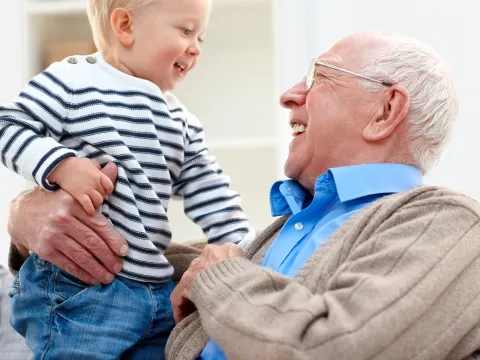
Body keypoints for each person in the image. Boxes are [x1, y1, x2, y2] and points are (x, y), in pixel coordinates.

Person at [7, 30, 480, 359]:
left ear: (385, 111)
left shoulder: (448, 223)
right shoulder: (288, 228)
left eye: (318, 76)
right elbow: (157, 266)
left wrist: (221, 277)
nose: (289, 95)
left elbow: (335, 349)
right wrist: (30, 220)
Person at [0, 0, 253, 358]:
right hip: (81, 290)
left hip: (155, 291)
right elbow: (8, 125)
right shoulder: (72, 81)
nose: (196, 47)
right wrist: (60, 164)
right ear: (125, 26)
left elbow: (213, 192)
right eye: (185, 31)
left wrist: (243, 250)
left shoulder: (182, 122)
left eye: (201, 37)